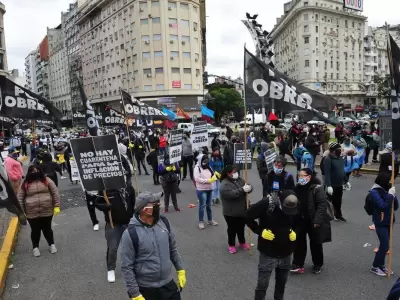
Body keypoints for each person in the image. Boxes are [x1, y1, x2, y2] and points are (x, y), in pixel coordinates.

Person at [120, 191, 186, 300]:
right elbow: (127, 267)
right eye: (154, 204)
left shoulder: (165, 223)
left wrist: (180, 269)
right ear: (143, 209)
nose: (158, 205)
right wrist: (135, 294)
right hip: (146, 290)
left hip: (167, 285)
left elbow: (173, 249)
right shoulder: (130, 234)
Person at [245, 190, 299, 300]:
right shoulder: (267, 203)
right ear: (280, 201)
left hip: (286, 253)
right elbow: (246, 216)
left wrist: (295, 232)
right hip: (268, 252)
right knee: (262, 285)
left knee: (281, 284)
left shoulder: (296, 204)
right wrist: (260, 231)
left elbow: (300, 221)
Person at [291, 168, 332, 274]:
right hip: (300, 219)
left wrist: (317, 220)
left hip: (313, 221)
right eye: (299, 176)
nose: (300, 178)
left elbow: (322, 205)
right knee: (299, 242)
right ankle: (298, 264)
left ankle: (318, 264)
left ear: (309, 177)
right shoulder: (298, 187)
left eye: (302, 176)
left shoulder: (317, 188)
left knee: (315, 243)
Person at [95, 184, 136, 282]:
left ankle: (133, 266)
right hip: (113, 223)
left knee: (132, 246)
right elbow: (98, 203)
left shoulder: (129, 187)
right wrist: (105, 206)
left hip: (128, 222)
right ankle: (111, 269)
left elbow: (133, 203)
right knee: (112, 247)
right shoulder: (105, 189)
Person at [17, 165, 60, 257]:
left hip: (47, 210)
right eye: (32, 171)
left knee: (47, 229)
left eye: (36, 171)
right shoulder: (25, 184)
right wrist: (21, 212)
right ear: (29, 172)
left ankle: (52, 245)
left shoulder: (47, 180)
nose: (34, 173)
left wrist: (56, 205)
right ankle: (35, 248)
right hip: (31, 212)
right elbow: (20, 198)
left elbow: (55, 192)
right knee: (35, 231)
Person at [369, 172, 398, 276]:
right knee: (384, 246)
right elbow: (383, 206)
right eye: (389, 180)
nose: (391, 182)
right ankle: (375, 266)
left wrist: (394, 195)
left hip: (389, 221)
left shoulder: (387, 190)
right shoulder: (374, 192)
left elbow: (395, 207)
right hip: (380, 222)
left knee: (385, 245)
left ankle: (381, 265)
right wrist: (390, 195)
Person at [220, 165, 252, 254]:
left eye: (236, 171)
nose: (236, 173)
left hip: (242, 210)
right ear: (228, 173)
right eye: (234, 172)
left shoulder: (240, 180)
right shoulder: (224, 184)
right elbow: (230, 195)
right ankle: (231, 245)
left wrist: (249, 188)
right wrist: (242, 190)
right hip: (230, 212)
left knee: (241, 227)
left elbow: (247, 186)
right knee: (232, 229)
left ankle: (242, 242)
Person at [323, 142, 350, 222]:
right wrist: (328, 185)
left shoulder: (340, 158)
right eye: (338, 150)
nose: (340, 151)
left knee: (338, 201)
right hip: (331, 185)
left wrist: (346, 181)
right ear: (332, 151)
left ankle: (338, 215)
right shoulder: (328, 159)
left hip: (339, 184)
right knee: (328, 202)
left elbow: (342, 171)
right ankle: (325, 216)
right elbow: (326, 173)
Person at [194, 154, 219, 229]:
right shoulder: (197, 168)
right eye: (204, 161)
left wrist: (216, 175)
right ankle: (201, 221)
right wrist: (208, 181)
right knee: (202, 206)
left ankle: (210, 220)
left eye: (206, 161)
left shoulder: (209, 167)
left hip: (209, 189)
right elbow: (197, 179)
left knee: (209, 205)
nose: (205, 163)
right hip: (201, 190)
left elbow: (212, 174)